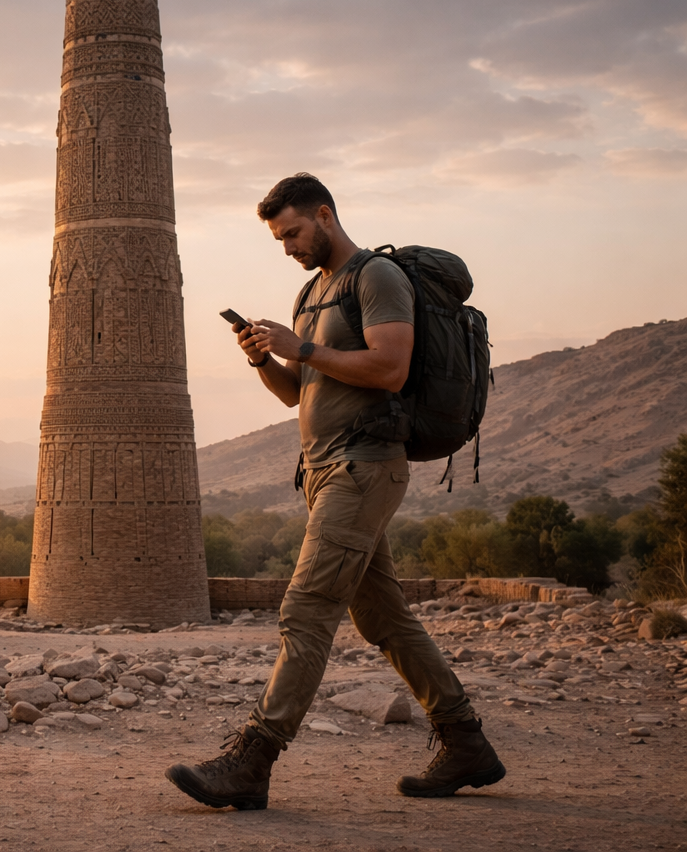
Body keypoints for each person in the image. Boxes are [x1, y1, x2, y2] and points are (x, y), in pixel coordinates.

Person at [165, 173, 505, 810]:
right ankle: (466, 743)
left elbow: (391, 367)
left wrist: (306, 347)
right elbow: (298, 391)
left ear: (324, 215)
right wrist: (266, 358)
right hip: (323, 473)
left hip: (366, 466)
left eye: (293, 231)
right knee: (382, 617)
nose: (287, 245)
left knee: (308, 607)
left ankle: (253, 758)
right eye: (278, 238)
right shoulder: (309, 291)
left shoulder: (375, 278)